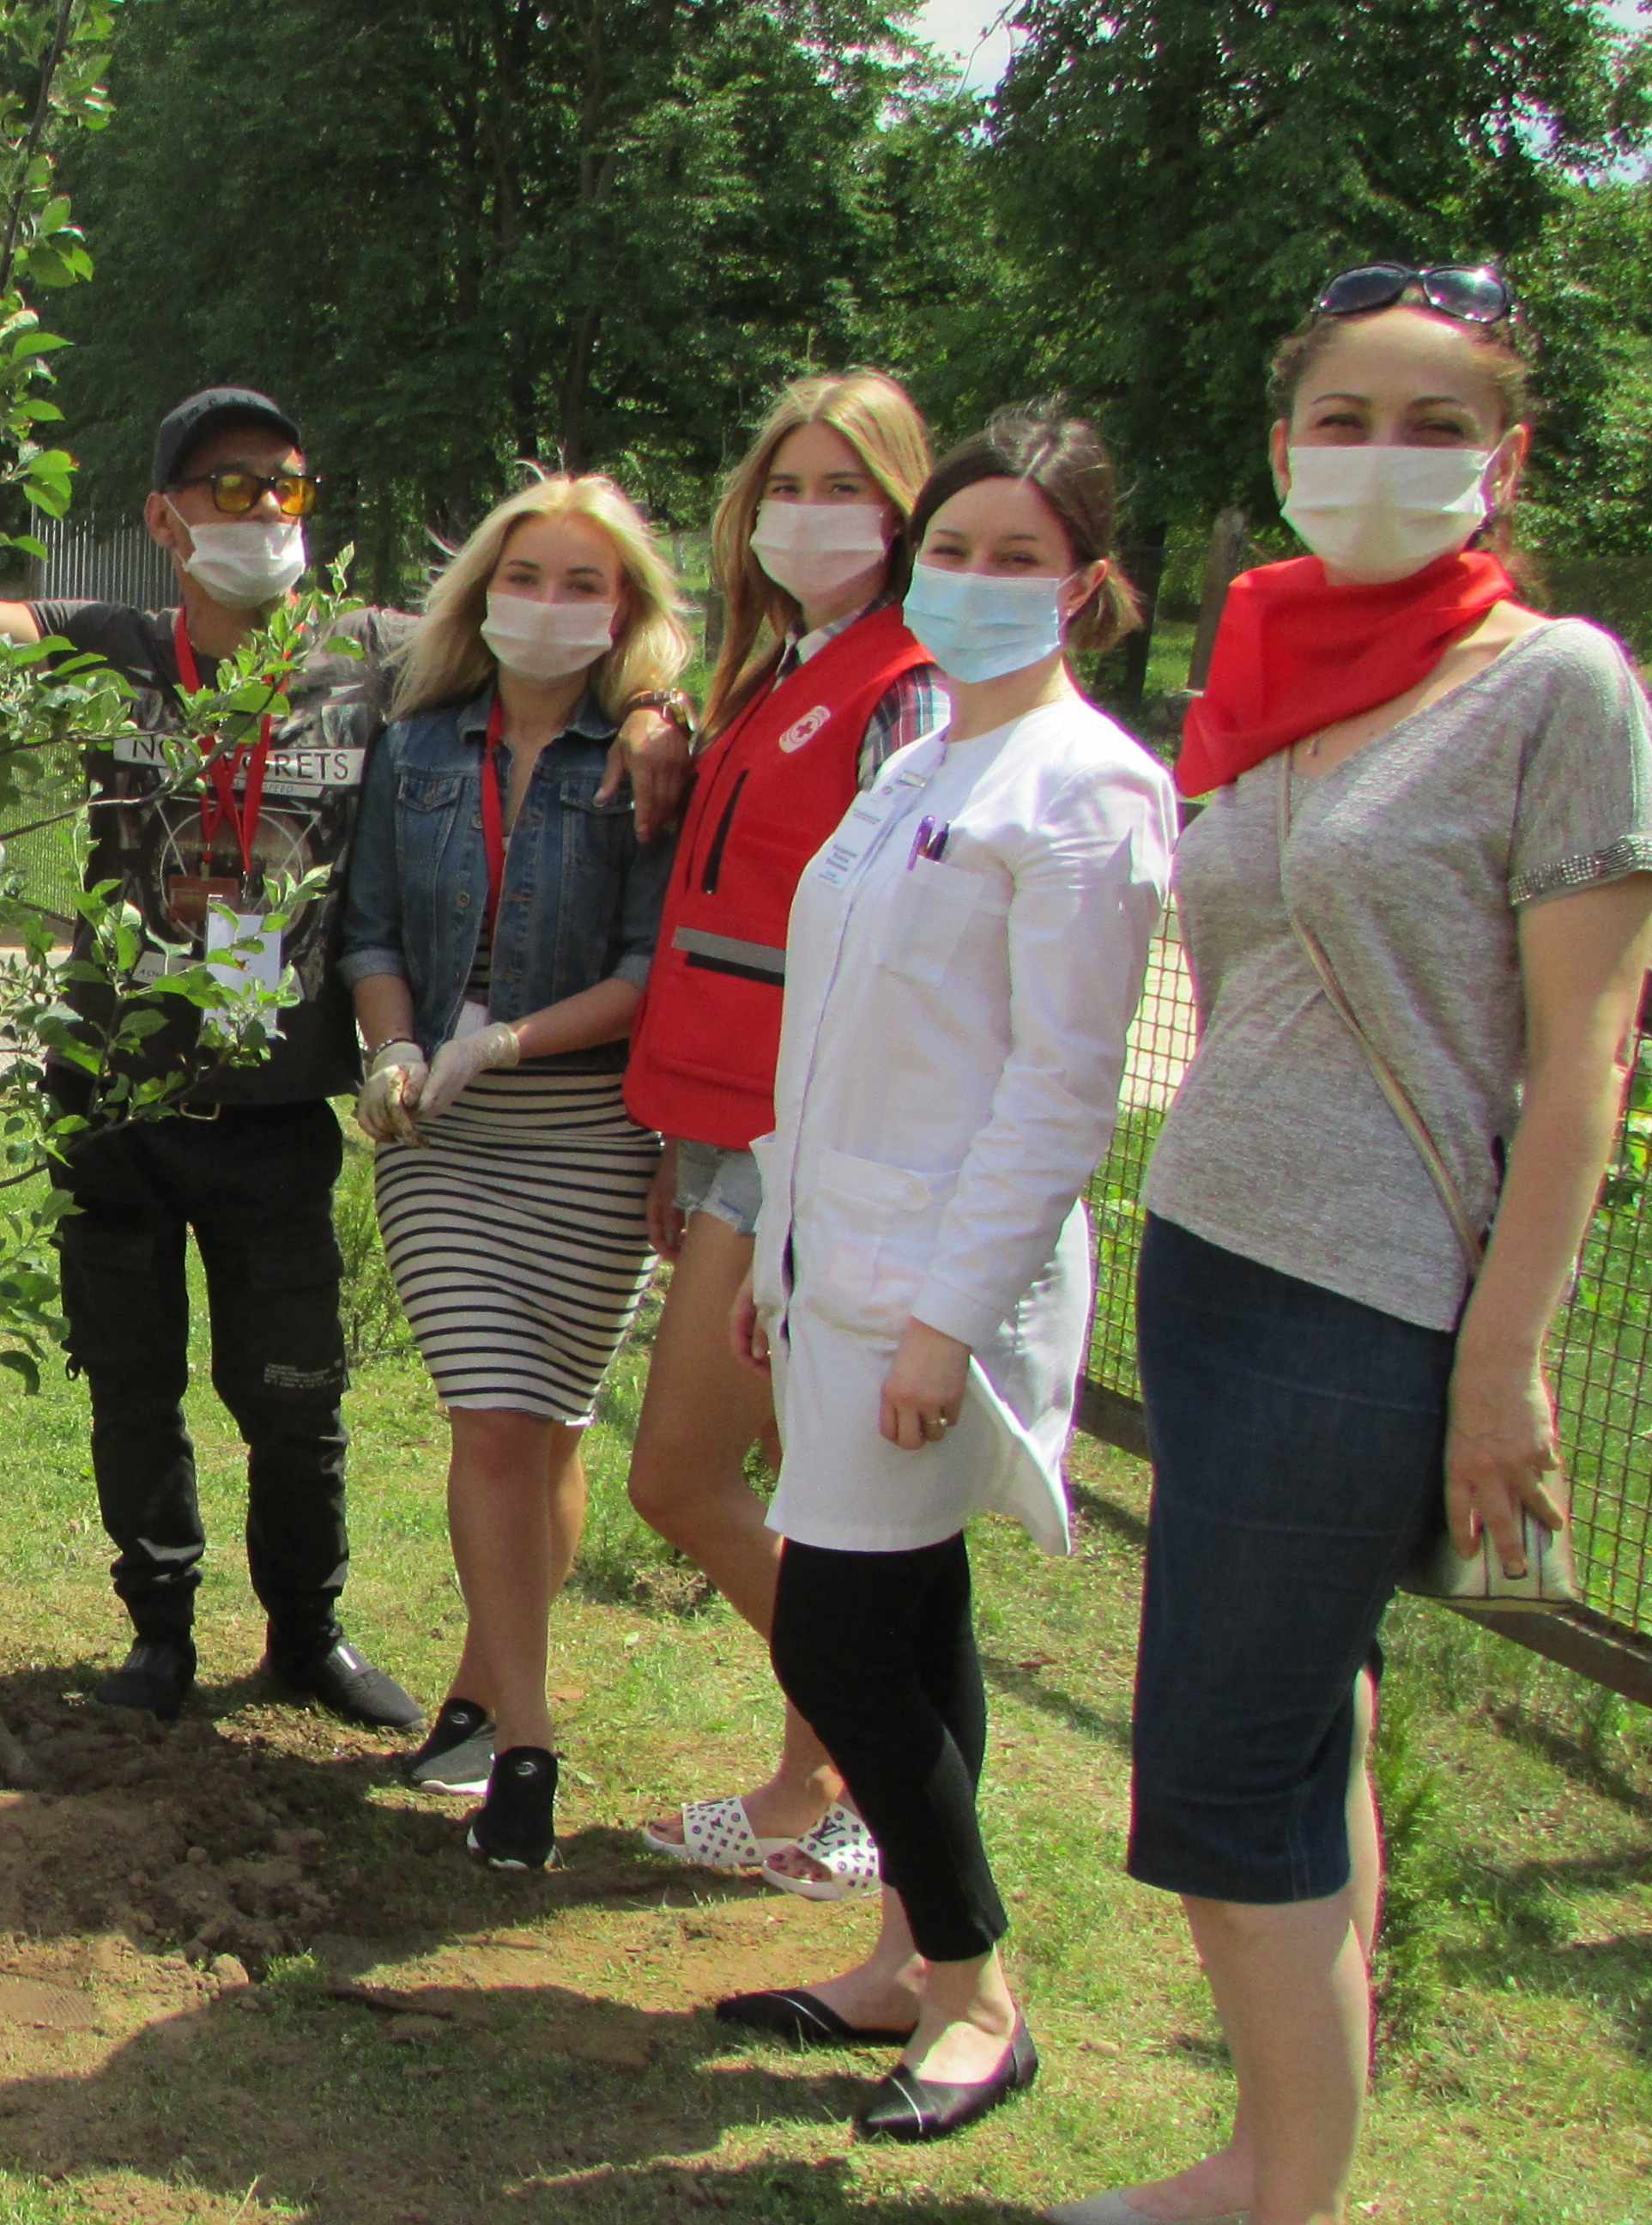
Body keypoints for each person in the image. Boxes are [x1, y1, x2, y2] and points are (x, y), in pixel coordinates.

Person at [1059, 267, 1652, 2225]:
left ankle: (1277, 2187)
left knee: (1224, 1762)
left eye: (1431, 425)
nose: (1381, 459)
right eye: (1343, 420)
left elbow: (1583, 1065)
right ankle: (1282, 2165)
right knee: (1305, 1722)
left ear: (1506, 460)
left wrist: (1502, 1360)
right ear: (1280, 447)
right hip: (1217, 1255)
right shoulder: (1277, 668)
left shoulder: (1557, 688)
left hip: (1374, 1298)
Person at [715, 407, 1176, 2143]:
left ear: (1092, 583)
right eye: (956, 551)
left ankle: (980, 1990)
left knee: (839, 1630)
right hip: (833, 1267)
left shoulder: (1091, 791)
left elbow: (1061, 1094)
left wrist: (942, 1320)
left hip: (936, 1290)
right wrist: (774, 1239)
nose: (979, 584)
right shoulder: (918, 761)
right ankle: (902, 1961)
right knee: (914, 1617)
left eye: (1022, 557)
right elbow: (826, 1033)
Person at [0, 385, 423, 1729]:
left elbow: (548, 628)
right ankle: (158, 1630)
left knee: (293, 1393)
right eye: (228, 486)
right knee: (133, 1380)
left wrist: (649, 716)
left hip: (276, 1108)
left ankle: (307, 1633)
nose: (264, 510)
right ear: (164, 518)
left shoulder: (371, 654)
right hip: (115, 1098)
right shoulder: (114, 647)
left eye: (286, 484)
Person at [621, 371, 948, 1901]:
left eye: (850, 489)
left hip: (800, 1149)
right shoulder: (783, 670)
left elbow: (900, 928)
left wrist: (786, 1178)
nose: (814, 516)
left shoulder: (909, 686)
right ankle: (813, 1790)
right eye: (789, 488)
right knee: (789, 1490)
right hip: (727, 1133)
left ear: (906, 510)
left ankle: (883, 1764)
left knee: (680, 1478)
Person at [339, 470, 684, 1870]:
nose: (549, 608)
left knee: (550, 1428)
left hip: (589, 1130)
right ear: (482, 595)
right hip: (446, 1137)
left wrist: (516, 1040)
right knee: (488, 1416)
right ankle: (531, 1748)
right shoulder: (416, 742)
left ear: (626, 611)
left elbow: (650, 970)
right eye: (524, 579)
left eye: (582, 584)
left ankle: (484, 1690)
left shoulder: (656, 756)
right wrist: (399, 1046)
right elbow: (367, 926)